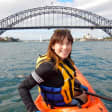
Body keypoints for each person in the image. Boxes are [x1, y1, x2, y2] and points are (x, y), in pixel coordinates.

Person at [18, 29, 88, 112]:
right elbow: (22, 87)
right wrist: (33, 110)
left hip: (60, 95)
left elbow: (67, 77)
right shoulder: (47, 67)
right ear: (53, 46)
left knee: (81, 90)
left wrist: (78, 84)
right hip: (57, 104)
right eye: (61, 43)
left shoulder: (64, 61)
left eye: (68, 43)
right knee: (85, 96)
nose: (65, 47)